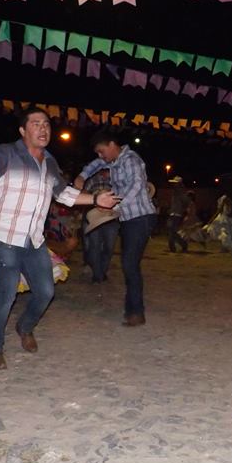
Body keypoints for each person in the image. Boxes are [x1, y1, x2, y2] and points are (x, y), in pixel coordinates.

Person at [0, 109, 118, 369]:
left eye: (47, 124)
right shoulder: (7, 153)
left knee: (46, 292)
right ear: (23, 130)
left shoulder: (50, 163)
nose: (43, 129)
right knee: (6, 294)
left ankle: (25, 326)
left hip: (33, 239)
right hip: (5, 237)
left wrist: (96, 199)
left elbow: (63, 194)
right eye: (36, 124)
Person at [76, 128, 155, 327]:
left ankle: (136, 312)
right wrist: (82, 176)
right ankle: (134, 310)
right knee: (129, 264)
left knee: (129, 263)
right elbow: (96, 164)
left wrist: (115, 205)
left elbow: (137, 185)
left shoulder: (130, 159)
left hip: (141, 217)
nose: (100, 156)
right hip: (129, 218)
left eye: (101, 151)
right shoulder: (114, 161)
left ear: (112, 145)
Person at [80, 167, 118, 282]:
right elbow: (84, 194)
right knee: (94, 247)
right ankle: (98, 275)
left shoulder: (117, 180)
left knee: (109, 247)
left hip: (111, 217)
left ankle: (101, 271)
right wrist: (95, 200)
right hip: (95, 217)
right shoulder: (92, 180)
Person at [166, 175, 190, 253]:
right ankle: (182, 245)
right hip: (173, 213)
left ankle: (176, 247)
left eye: (175, 183)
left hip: (176, 214)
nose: (174, 184)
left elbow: (186, 201)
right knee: (172, 231)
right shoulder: (176, 192)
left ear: (179, 183)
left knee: (172, 231)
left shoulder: (180, 192)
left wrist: (182, 209)